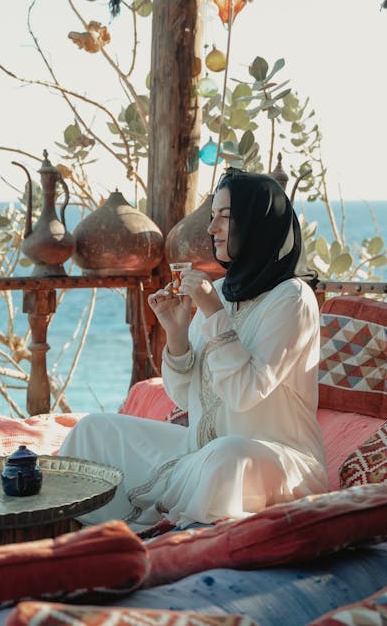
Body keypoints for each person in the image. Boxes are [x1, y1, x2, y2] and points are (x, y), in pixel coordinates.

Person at [58, 169, 327, 531]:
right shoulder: (222, 292)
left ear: (257, 224)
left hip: (274, 463)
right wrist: (177, 334)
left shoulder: (293, 298)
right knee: (91, 431)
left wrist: (212, 312)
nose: (211, 227)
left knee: (228, 459)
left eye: (225, 217)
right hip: (197, 451)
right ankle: (99, 525)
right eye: (212, 216)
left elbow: (243, 392)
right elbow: (184, 397)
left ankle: (158, 526)